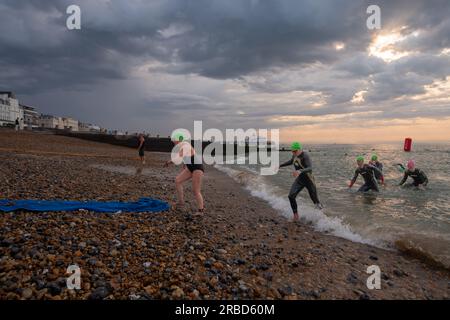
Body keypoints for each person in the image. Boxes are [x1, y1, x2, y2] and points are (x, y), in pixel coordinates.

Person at [279, 142, 323, 221]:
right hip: (300, 180)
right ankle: (296, 215)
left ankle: (323, 218)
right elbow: (291, 161)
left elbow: (310, 168)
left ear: (300, 149)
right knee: (291, 196)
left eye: (295, 151)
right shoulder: (295, 155)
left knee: (315, 200)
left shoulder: (305, 156)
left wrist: (299, 171)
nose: (293, 153)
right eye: (292, 151)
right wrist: (280, 165)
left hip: (309, 180)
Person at [164, 132, 205, 215]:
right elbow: (185, 157)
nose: (173, 142)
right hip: (190, 168)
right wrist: (185, 165)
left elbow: (180, 156)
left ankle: (201, 210)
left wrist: (169, 162)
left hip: (197, 168)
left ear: (179, 140)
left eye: (174, 141)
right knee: (177, 180)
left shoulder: (186, 145)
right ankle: (181, 202)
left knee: (196, 190)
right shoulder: (182, 146)